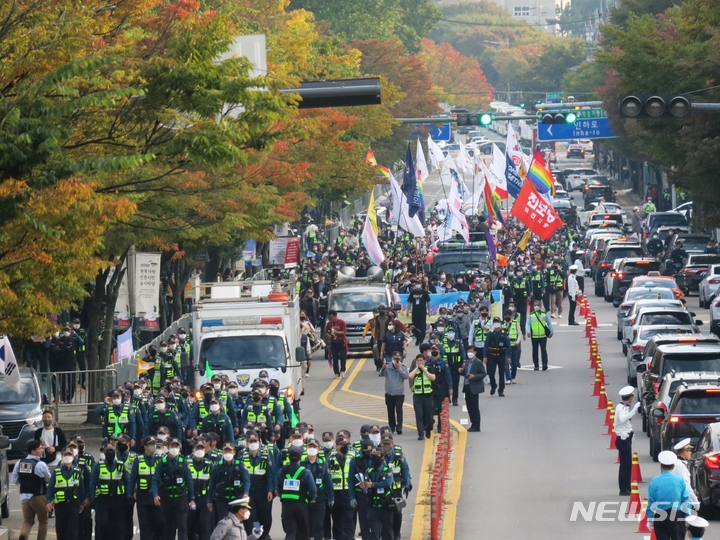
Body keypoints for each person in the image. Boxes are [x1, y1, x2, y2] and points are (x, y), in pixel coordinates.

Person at [647, 451, 692, 540]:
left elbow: (651, 503)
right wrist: (688, 514)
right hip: (677, 516)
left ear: (661, 466)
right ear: (673, 466)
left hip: (660, 516)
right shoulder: (680, 480)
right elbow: (686, 499)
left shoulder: (654, 481)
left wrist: (650, 519)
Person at [13, 439, 51, 540]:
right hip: (38, 496)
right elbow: (48, 479)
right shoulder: (40, 464)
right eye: (40, 449)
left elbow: (15, 479)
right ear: (33, 451)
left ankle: (23, 536)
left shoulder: (19, 463)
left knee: (28, 521)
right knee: (43, 521)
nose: (42, 451)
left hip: (24, 497)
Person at [90, 442, 129, 540]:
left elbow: (127, 481)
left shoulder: (120, 465)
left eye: (112, 451)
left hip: (117, 500)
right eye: (108, 451)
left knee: (118, 527)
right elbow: (92, 483)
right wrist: (92, 498)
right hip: (103, 500)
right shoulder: (98, 466)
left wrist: (129, 497)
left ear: (115, 452)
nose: (110, 453)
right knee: (103, 525)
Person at [46, 447, 86, 540]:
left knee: (73, 531)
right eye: (65, 455)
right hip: (60, 505)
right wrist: (49, 501)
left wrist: (81, 503)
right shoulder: (57, 471)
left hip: (73, 504)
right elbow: (51, 487)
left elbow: (81, 488)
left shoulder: (77, 471)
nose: (67, 457)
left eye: (69, 455)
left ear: (73, 457)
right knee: (61, 530)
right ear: (62, 457)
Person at [130, 436, 165, 540]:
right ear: (145, 446)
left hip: (157, 496)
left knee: (161, 522)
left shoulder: (160, 459)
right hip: (143, 496)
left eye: (154, 444)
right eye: (151, 444)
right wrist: (131, 492)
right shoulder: (139, 460)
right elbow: (133, 478)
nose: (153, 446)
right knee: (145, 524)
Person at [277, 447, 317, 540]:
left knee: (290, 532)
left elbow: (278, 486)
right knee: (304, 532)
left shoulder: (282, 471)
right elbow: (313, 489)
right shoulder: (305, 472)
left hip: (286, 505)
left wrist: (282, 494)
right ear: (300, 458)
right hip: (301, 505)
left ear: (289, 458)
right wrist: (312, 498)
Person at [242, 432, 274, 540]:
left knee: (264, 515)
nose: (253, 443)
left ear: (259, 442)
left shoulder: (265, 455)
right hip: (249, 492)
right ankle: (256, 534)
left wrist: (270, 490)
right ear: (247, 443)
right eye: (251, 441)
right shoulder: (242, 455)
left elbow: (270, 475)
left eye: (255, 441)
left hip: (262, 491)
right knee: (252, 516)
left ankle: (264, 534)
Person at [208, 443, 251, 521]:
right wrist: (209, 501)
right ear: (222, 452)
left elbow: (246, 480)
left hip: (237, 499)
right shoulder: (217, 467)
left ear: (234, 452)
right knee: (224, 522)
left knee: (237, 522)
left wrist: (245, 493)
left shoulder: (240, 465)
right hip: (222, 500)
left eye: (230, 450)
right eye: (225, 451)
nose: (228, 453)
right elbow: (212, 484)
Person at [301, 439, 333, 540]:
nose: (312, 449)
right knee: (304, 525)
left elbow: (328, 482)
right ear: (306, 448)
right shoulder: (301, 465)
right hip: (304, 499)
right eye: (309, 446)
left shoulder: (323, 465)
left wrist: (331, 497)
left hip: (319, 499)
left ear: (318, 449)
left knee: (318, 525)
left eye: (314, 447)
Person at [327, 435, 357, 540]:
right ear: (337, 446)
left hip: (348, 492)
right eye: (342, 445)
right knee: (336, 518)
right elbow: (327, 474)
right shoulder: (330, 456)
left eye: (346, 445)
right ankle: (337, 537)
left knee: (349, 517)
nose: (345, 447)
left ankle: (349, 537)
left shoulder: (352, 455)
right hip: (335, 492)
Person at [614, 386, 641, 496]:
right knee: (625, 466)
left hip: (625, 438)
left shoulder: (622, 406)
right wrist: (634, 410)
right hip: (623, 439)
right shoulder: (623, 408)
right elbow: (623, 419)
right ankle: (623, 489)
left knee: (627, 465)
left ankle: (626, 487)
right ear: (630, 397)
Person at [364, 448, 394, 540]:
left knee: (388, 532)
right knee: (374, 534)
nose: (375, 458)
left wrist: (373, 485)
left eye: (377, 456)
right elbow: (365, 486)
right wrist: (365, 486)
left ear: (382, 457)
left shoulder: (387, 469)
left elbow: (388, 483)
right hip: (373, 506)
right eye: (373, 456)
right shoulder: (369, 471)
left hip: (385, 506)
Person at [187, 441, 215, 540]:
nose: (200, 450)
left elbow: (213, 483)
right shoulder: (187, 463)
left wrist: (210, 500)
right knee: (189, 524)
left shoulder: (209, 464)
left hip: (204, 499)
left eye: (202, 448)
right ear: (193, 450)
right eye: (197, 448)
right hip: (190, 499)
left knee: (205, 524)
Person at [409, 354, 436, 440]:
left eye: (421, 360)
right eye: (418, 361)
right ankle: (420, 433)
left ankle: (428, 430)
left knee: (429, 415)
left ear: (424, 361)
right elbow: (410, 376)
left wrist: (424, 370)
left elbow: (433, 378)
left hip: (428, 395)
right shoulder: (415, 370)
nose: (420, 362)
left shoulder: (429, 368)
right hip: (418, 396)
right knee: (419, 415)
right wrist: (417, 368)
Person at [483, 317, 510, 397]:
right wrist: (484, 356)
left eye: (497, 322)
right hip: (491, 355)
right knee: (491, 373)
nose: (496, 323)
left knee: (501, 373)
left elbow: (508, 345)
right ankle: (493, 385)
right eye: (495, 322)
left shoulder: (504, 333)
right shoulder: (490, 333)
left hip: (501, 355)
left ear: (500, 323)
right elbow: (486, 345)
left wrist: (509, 356)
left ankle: (501, 390)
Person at [461, 346, 486, 432]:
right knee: (469, 406)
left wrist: (474, 376)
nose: (469, 353)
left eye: (471, 351)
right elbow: (465, 372)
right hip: (467, 386)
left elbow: (483, 374)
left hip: (474, 387)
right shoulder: (467, 362)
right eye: (468, 351)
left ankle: (477, 425)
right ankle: (473, 423)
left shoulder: (478, 362)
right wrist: (462, 371)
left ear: (475, 352)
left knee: (474, 406)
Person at [383, 352, 408, 435]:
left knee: (399, 410)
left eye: (398, 358)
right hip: (389, 392)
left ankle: (399, 426)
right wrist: (383, 368)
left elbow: (406, 376)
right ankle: (392, 426)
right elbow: (382, 374)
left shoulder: (403, 367)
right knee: (390, 410)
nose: (396, 360)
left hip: (399, 393)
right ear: (392, 358)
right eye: (395, 358)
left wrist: (399, 369)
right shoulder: (388, 366)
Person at [672, 439, 700, 512]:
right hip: (680, 503)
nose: (690, 453)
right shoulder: (681, 466)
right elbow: (686, 486)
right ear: (684, 452)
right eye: (689, 451)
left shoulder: (675, 463)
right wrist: (694, 500)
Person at [526, 299, 554, 371]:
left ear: (540, 306)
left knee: (543, 350)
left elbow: (549, 323)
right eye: (535, 305)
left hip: (543, 336)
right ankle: (536, 365)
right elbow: (528, 324)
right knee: (535, 351)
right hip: (534, 336)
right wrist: (528, 331)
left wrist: (551, 332)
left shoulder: (544, 314)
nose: (536, 307)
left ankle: (545, 364)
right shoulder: (531, 315)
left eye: (537, 305)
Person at [405, 281, 430, 346]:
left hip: (422, 312)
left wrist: (429, 311)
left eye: (419, 284)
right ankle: (417, 338)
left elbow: (428, 302)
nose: (418, 285)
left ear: (421, 285)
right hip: (415, 312)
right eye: (416, 284)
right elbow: (409, 302)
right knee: (415, 326)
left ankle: (421, 339)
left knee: (422, 326)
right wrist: (407, 311)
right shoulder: (413, 293)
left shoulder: (424, 292)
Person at [325, 311, 348, 378]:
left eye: (331, 317)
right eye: (329, 317)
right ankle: (336, 372)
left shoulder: (341, 322)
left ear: (335, 316)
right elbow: (327, 332)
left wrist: (336, 332)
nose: (330, 319)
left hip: (341, 342)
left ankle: (343, 370)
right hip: (333, 343)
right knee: (335, 358)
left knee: (343, 357)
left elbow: (344, 332)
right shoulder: (329, 324)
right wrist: (328, 335)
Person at [502, 309, 522, 384]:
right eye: (505, 315)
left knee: (514, 363)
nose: (507, 317)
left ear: (511, 316)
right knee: (506, 362)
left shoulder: (516, 323)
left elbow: (520, 333)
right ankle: (508, 378)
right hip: (505, 346)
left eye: (508, 315)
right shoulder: (502, 324)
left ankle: (513, 377)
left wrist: (517, 341)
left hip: (514, 345)